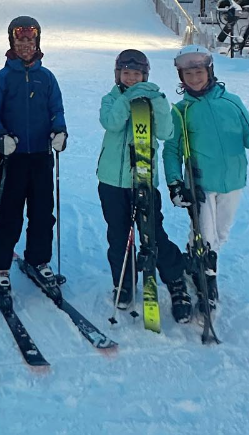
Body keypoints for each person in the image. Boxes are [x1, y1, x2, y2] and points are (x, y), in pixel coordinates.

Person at [163, 45, 249, 314]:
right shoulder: (181, 110)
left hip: (233, 180)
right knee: (207, 237)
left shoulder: (232, 102)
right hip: (200, 183)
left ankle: (193, 262)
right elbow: (171, 150)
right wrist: (175, 183)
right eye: (188, 74)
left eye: (199, 72)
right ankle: (207, 281)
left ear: (209, 71)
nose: (194, 78)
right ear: (181, 77)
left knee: (221, 234)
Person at [97, 49, 191, 321]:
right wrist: (128, 99)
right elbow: (112, 123)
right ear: (118, 74)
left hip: (144, 181)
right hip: (112, 182)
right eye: (126, 73)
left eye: (136, 74)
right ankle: (124, 283)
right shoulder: (111, 99)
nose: (131, 79)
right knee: (118, 236)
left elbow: (166, 132)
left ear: (145, 76)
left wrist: (157, 100)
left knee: (153, 235)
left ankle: (175, 280)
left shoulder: (155, 99)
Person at [0, 16, 67, 291]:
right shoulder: (3, 78)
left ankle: (38, 259)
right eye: (20, 41)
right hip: (13, 156)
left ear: (37, 42)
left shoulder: (47, 78)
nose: (25, 45)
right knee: (9, 212)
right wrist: (0, 136)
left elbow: (56, 110)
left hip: (41, 156)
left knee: (42, 212)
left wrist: (59, 131)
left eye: (30, 40)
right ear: (12, 42)